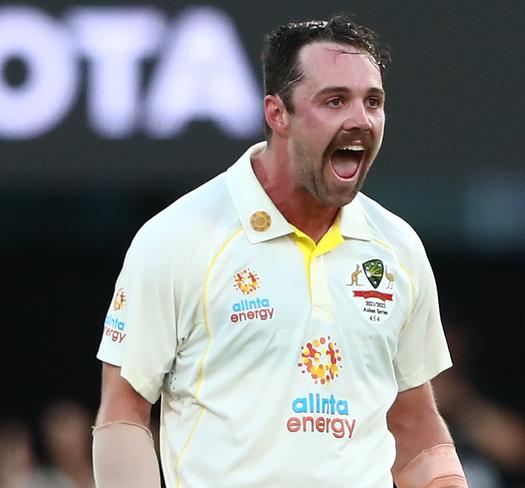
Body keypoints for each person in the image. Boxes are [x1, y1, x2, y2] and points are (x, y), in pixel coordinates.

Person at [92, 13, 467, 488]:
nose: (361, 119)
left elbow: (415, 426)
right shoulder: (178, 237)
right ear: (277, 114)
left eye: (373, 101)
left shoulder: (397, 248)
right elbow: (123, 412)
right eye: (335, 101)